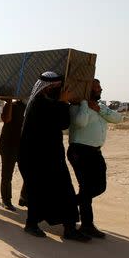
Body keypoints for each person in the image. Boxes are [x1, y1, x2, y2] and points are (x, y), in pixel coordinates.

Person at [18, 71, 89, 241]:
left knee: (65, 190)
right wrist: (63, 102)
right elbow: (59, 122)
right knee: (37, 191)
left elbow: (62, 123)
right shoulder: (37, 104)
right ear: (45, 87)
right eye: (54, 86)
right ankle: (31, 224)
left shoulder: (51, 103)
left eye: (58, 86)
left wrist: (62, 103)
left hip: (53, 156)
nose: (57, 89)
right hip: (34, 157)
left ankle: (70, 228)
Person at [67, 79, 121, 238]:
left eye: (99, 87)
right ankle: (87, 224)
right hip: (80, 151)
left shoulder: (100, 107)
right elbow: (80, 123)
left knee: (99, 187)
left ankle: (68, 206)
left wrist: (98, 109)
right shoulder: (75, 107)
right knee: (86, 188)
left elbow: (118, 119)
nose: (100, 89)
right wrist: (84, 103)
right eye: (96, 87)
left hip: (95, 152)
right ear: (86, 90)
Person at [0, 99, 25, 210]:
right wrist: (9, 102)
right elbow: (6, 119)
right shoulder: (12, 105)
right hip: (8, 145)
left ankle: (24, 197)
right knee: (7, 175)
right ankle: (6, 200)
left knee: (29, 173)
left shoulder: (30, 105)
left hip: (23, 146)